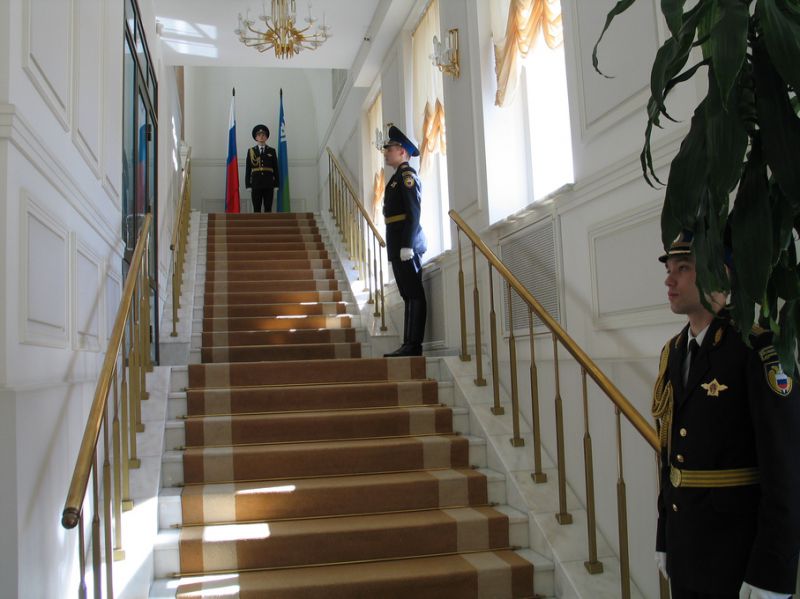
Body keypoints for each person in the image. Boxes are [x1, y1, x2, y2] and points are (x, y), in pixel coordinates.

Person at [652, 231, 800, 599]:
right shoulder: (674, 351)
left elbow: (786, 468)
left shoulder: (758, 347)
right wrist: (664, 535)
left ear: (721, 274)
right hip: (686, 547)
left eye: (683, 268)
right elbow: (670, 455)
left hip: (738, 554)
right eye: (669, 270)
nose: (669, 280)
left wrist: (772, 570)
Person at [381, 125, 427, 357]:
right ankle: (408, 343)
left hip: (407, 245)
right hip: (398, 243)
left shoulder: (407, 177)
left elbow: (413, 212)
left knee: (414, 293)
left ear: (402, 151)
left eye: (389, 148)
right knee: (407, 294)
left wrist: (407, 244)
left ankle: (414, 344)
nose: (386, 152)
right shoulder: (396, 178)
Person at [245, 124, 279, 212]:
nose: (261, 137)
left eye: (263, 135)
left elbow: (276, 168)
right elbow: (248, 169)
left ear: (266, 137)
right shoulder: (251, 151)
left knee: (268, 208)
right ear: (256, 137)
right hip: (256, 184)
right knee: (256, 209)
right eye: (259, 135)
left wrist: (276, 184)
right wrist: (248, 185)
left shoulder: (272, 151)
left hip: (269, 184)